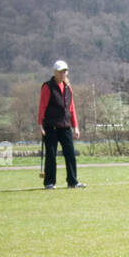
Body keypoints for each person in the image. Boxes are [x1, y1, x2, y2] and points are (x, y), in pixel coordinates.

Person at [38, 61, 84, 189]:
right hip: (51, 126)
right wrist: (40, 125)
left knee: (70, 154)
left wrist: (76, 126)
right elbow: (42, 106)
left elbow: (71, 108)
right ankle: (49, 182)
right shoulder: (47, 87)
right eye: (60, 71)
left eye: (65, 71)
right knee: (51, 155)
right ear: (55, 72)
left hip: (65, 126)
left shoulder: (68, 87)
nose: (63, 73)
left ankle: (73, 181)